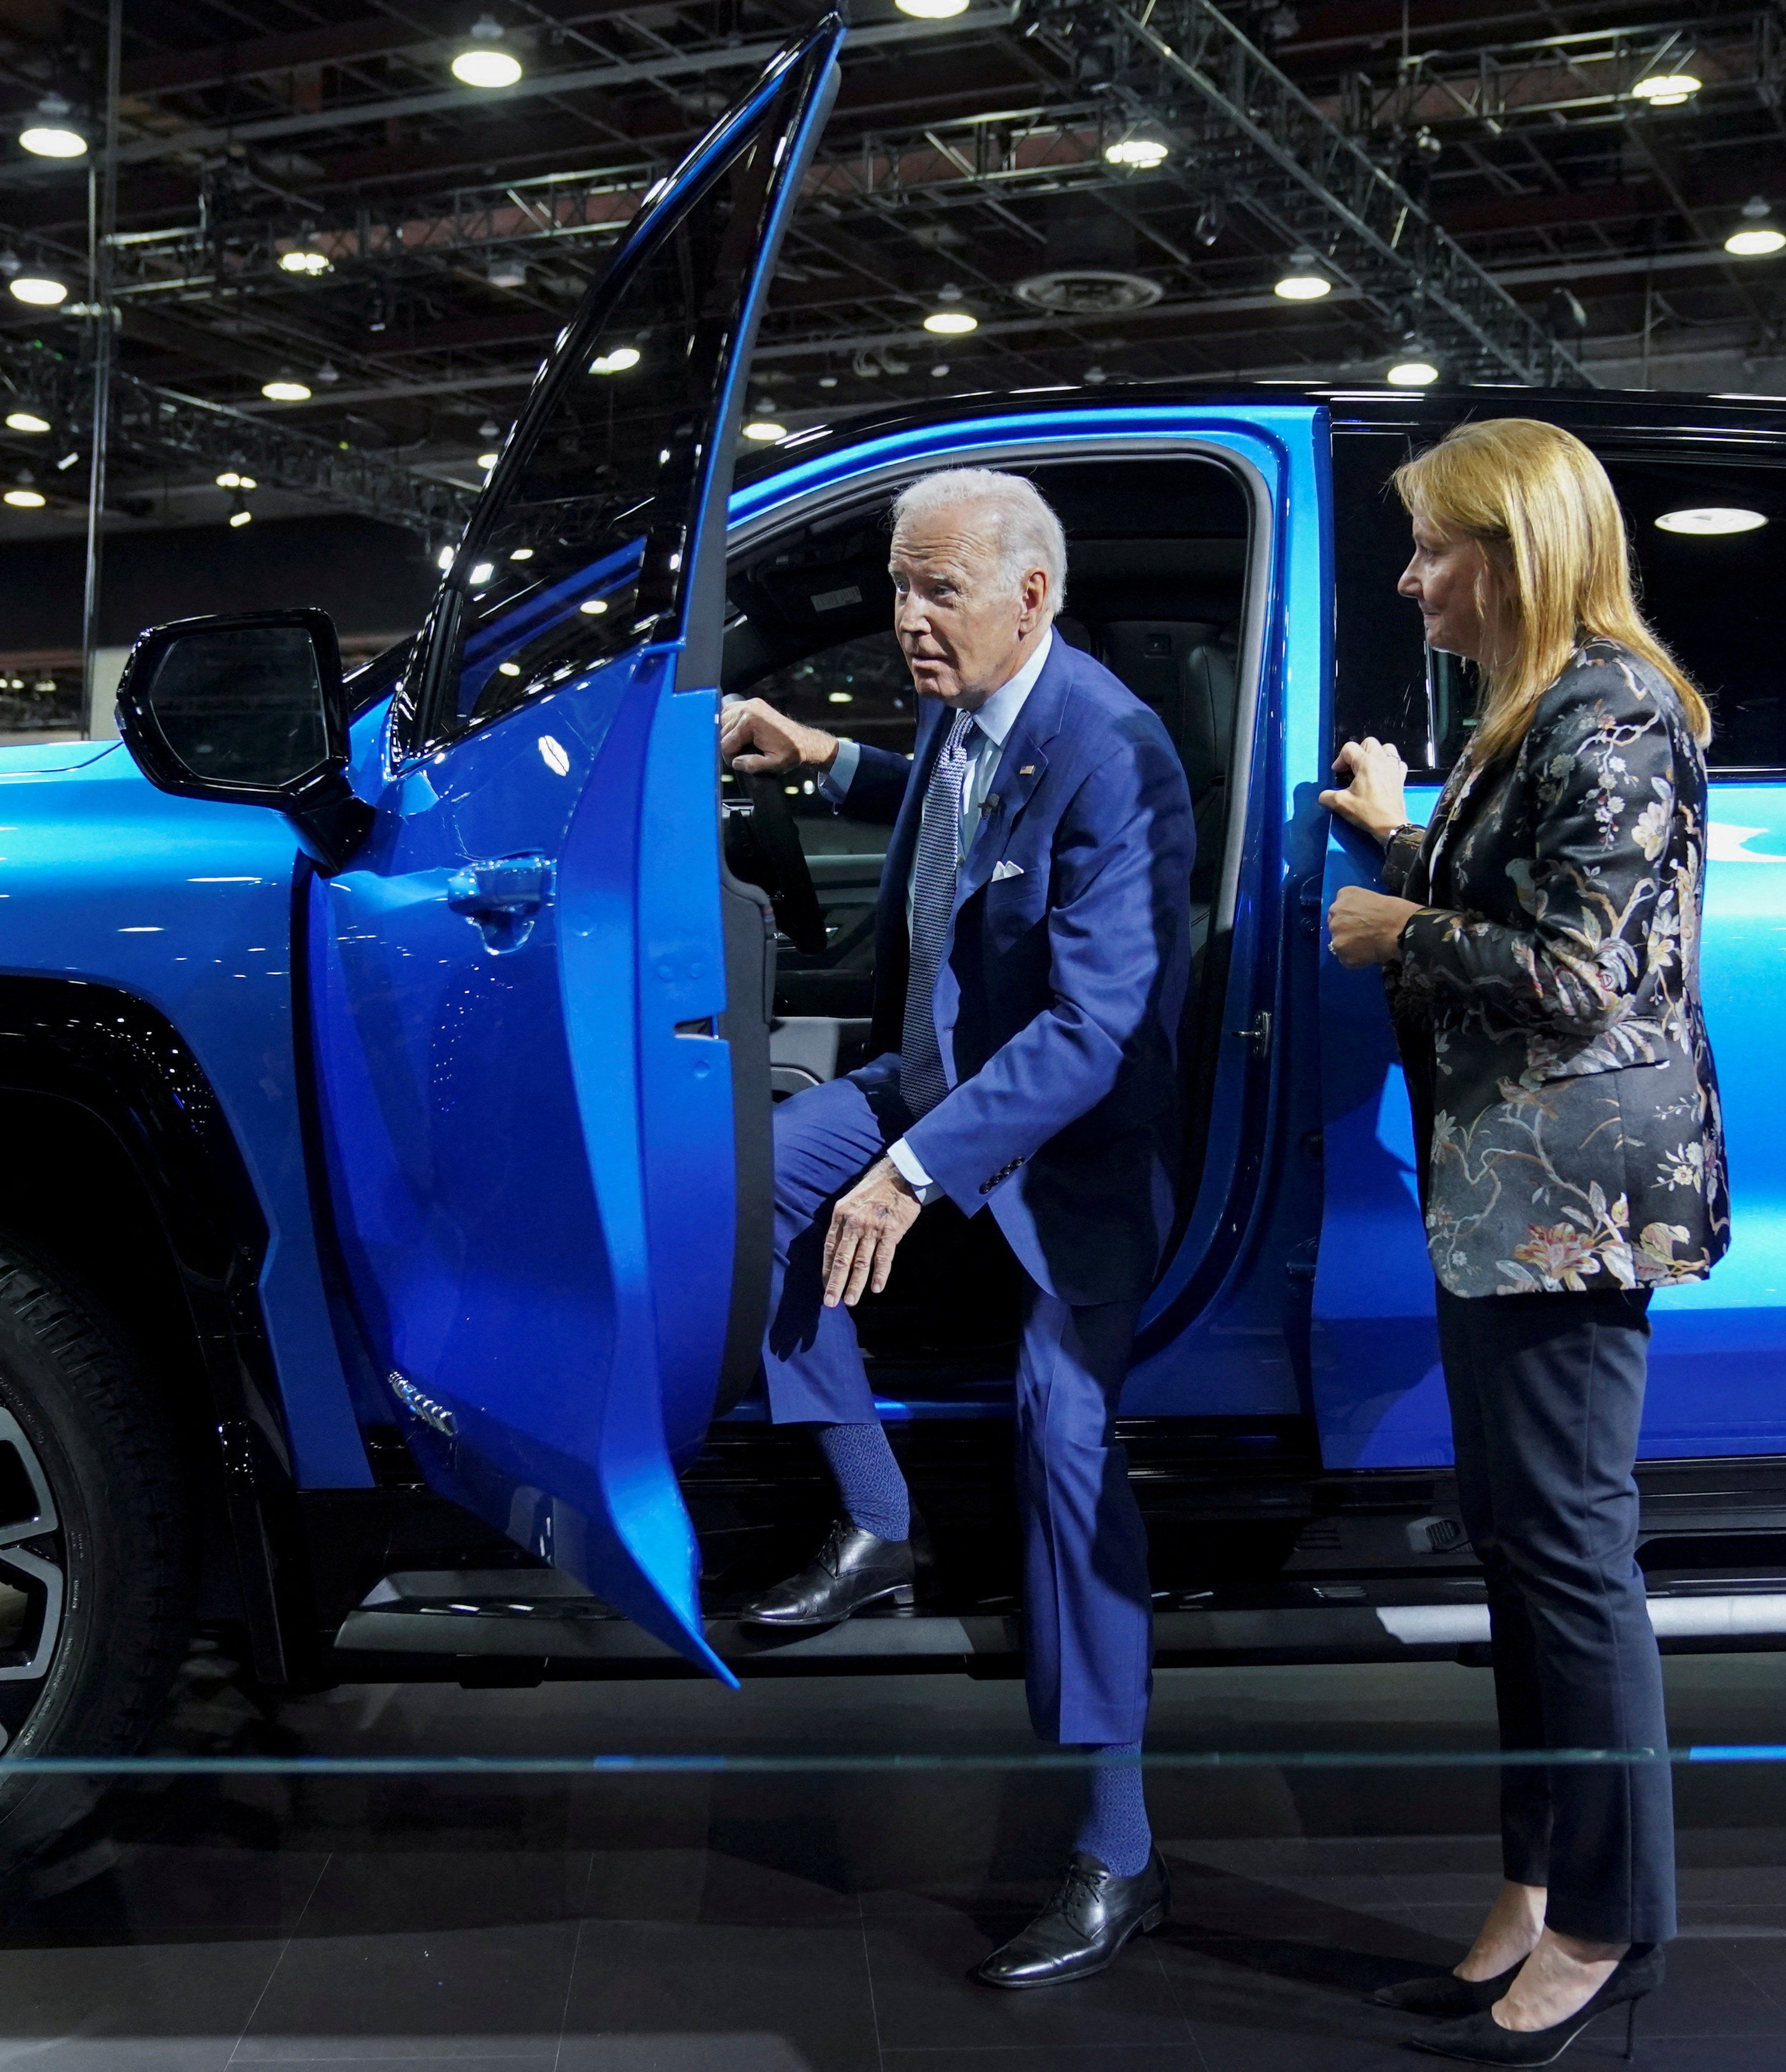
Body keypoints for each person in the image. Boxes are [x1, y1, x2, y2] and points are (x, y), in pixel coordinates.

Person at [717, 467, 1196, 1988]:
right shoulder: (973, 704)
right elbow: (941, 792)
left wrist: (913, 1169)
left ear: (1030, 596)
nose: (907, 618)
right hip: (931, 1076)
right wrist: (818, 752)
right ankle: (876, 1512)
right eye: (898, 586)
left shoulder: (1113, 749)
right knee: (757, 1188)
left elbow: (1096, 1026)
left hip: (1076, 1155)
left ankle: (1116, 1851)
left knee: (1062, 1440)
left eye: (938, 591)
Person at [1318, 417, 1727, 2066]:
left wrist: (1397, 921)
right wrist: (1399, 831)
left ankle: (1612, 1917)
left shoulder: (1614, 712)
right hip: (1509, 1194)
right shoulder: (1535, 716)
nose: (1410, 578)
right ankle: (1536, 1883)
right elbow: (1537, 896)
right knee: (1523, 1551)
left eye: (1432, 549)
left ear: (1517, 547)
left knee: (1568, 1560)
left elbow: (1580, 973)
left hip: (1573, 1197)